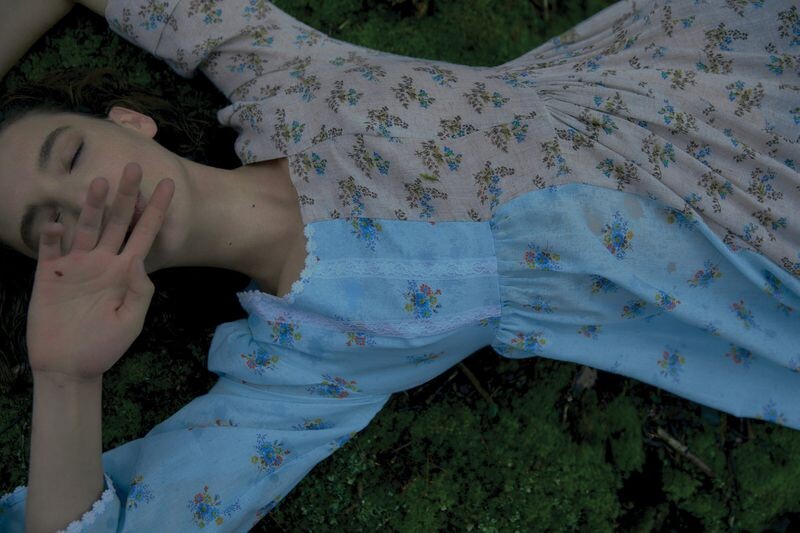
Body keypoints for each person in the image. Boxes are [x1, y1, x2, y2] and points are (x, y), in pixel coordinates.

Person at [1, 0, 798, 529]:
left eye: (69, 156)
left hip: (702, 94)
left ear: (130, 122)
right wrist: (67, 377)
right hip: (728, 252)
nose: (81, 204)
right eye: (47, 228)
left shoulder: (278, 76)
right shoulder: (301, 358)